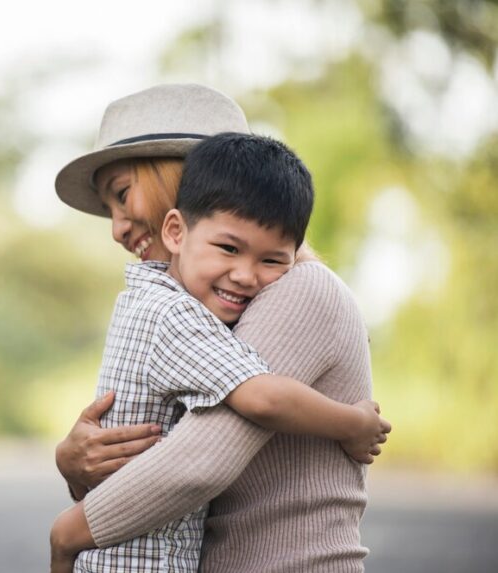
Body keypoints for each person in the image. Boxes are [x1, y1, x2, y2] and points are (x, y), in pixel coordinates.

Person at [50, 84, 392, 572]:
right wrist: (73, 460)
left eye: (123, 195)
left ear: (196, 182)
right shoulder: (198, 309)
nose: (117, 228)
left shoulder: (296, 291)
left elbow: (198, 460)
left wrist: (69, 533)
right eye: (110, 209)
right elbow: (155, 448)